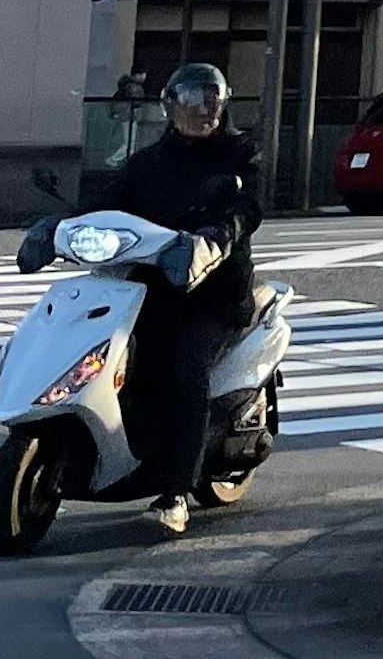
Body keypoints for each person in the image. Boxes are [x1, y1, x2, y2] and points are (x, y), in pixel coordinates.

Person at [111, 62, 263, 534]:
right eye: (194, 100)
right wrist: (55, 226)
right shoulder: (147, 163)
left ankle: (176, 490)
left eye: (212, 100)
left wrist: (219, 234)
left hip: (215, 294)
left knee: (187, 366)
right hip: (156, 289)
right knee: (117, 355)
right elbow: (108, 202)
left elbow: (248, 207)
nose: (205, 110)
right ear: (170, 106)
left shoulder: (238, 154)